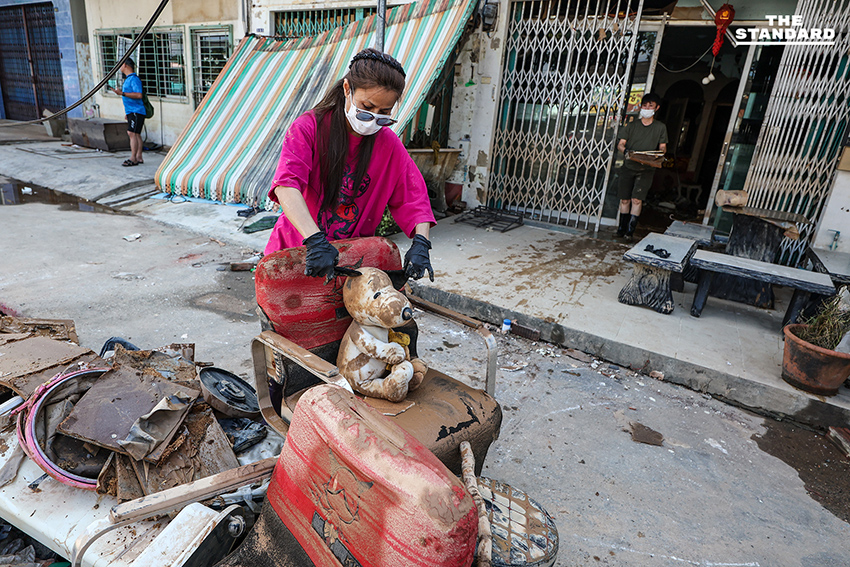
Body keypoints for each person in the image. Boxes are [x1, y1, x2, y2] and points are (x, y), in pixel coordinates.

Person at [265, 48, 436, 281]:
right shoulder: (308, 128)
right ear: (347, 90)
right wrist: (315, 240)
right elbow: (286, 186)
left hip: (351, 262)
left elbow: (413, 196)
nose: (373, 119)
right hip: (294, 256)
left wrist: (421, 243)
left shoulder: (388, 144)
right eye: (366, 108)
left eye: (384, 114)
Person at [616, 93, 668, 240]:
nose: (646, 108)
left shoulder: (660, 128)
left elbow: (663, 147)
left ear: (656, 108)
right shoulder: (632, 126)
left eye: (650, 106)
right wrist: (626, 152)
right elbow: (621, 144)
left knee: (637, 200)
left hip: (647, 169)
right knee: (624, 199)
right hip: (629, 166)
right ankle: (621, 228)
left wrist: (657, 155)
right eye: (644, 106)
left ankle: (630, 231)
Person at [109, 59, 146, 167]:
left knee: (132, 133)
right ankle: (139, 156)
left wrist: (122, 93)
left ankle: (133, 158)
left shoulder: (133, 79)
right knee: (136, 133)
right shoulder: (129, 79)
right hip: (132, 111)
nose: (120, 68)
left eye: (120, 65)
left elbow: (139, 95)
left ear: (124, 65)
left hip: (136, 111)